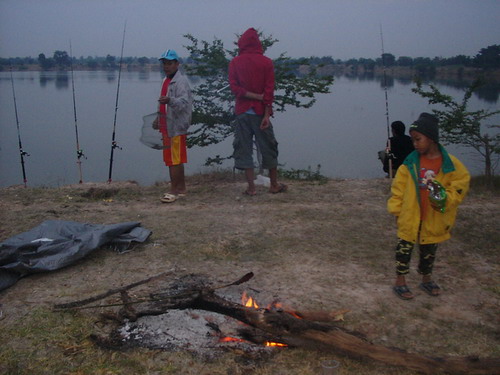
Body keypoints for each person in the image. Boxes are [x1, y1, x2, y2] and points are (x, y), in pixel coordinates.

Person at [387, 112, 470, 300]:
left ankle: (427, 279)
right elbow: (398, 189)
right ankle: (400, 281)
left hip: (434, 217)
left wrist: (441, 194)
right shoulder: (410, 164)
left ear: (431, 139)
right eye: (413, 140)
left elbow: (459, 188)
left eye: (418, 139)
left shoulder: (451, 165)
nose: (414, 144)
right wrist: (396, 210)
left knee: (429, 251)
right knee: (403, 250)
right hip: (410, 215)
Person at [228, 28, 287, 195]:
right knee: (269, 147)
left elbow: (235, 88)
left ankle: (251, 188)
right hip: (261, 113)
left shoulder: (235, 63)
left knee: (244, 148)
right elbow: (269, 92)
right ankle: (274, 185)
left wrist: (252, 96)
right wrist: (266, 113)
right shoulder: (267, 62)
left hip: (242, 112)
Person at [154, 49, 193, 203]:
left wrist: (170, 101)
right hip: (166, 125)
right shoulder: (166, 81)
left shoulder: (181, 81)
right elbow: (162, 102)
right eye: (164, 63)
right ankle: (181, 188)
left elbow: (183, 103)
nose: (166, 66)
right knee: (175, 158)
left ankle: (174, 190)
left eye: (170, 63)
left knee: (174, 159)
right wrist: (158, 118)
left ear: (177, 64)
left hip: (176, 127)